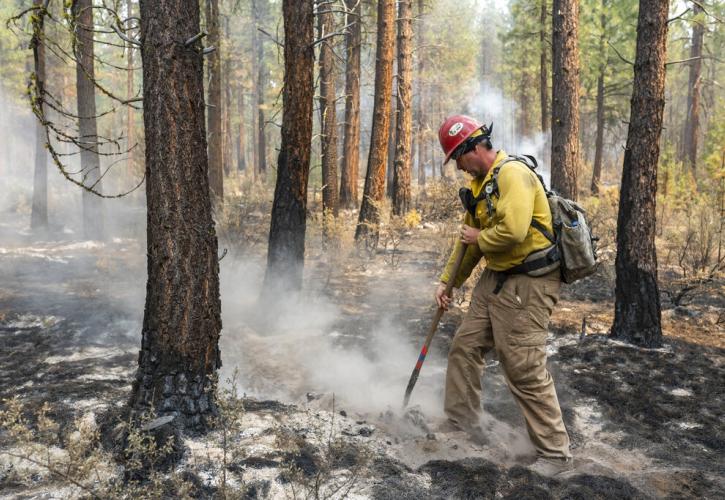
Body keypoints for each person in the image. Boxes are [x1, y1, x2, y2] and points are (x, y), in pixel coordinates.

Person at [434, 115, 573, 476]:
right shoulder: (481, 185)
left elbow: (511, 232)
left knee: (524, 367)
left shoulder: (512, 174)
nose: (459, 169)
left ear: (472, 149)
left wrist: (477, 238)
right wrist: (448, 283)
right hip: (497, 276)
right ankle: (461, 422)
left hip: (530, 282)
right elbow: (468, 244)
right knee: (465, 346)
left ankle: (555, 455)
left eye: (458, 159)